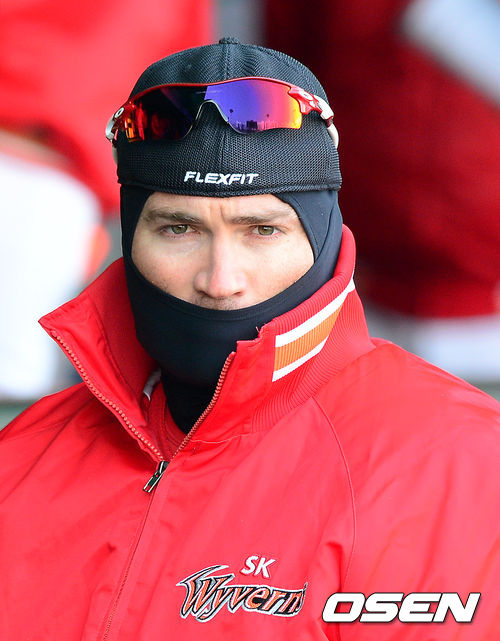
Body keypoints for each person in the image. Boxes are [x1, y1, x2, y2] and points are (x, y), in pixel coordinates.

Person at [0, 38, 498, 640]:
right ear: (130, 238)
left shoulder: (459, 465)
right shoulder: (21, 460)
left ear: (322, 235)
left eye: (261, 229)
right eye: (178, 229)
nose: (221, 280)